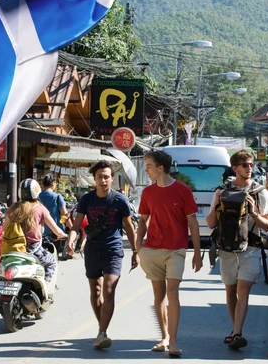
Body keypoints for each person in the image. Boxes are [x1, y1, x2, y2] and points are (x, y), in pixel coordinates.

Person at [135, 150, 203, 357]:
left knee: (172, 292)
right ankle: (164, 337)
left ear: (160, 167)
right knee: (159, 295)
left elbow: (193, 222)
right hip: (152, 249)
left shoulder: (183, 191)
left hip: (176, 250)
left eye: (148, 166)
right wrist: (138, 246)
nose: (146, 170)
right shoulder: (148, 193)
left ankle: (173, 341)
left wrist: (198, 253)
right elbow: (142, 221)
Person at [206, 150, 268, 350]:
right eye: (245, 165)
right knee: (231, 290)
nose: (249, 168)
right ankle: (235, 330)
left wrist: (253, 213)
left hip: (250, 249)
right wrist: (217, 204)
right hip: (227, 250)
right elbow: (210, 224)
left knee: (243, 290)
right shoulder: (221, 191)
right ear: (234, 168)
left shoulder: (260, 192)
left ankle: (237, 332)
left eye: (251, 164)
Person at [66, 160, 136, 350]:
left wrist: (136, 251)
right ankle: (101, 329)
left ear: (112, 179)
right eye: (99, 177)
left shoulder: (120, 200)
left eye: (106, 177)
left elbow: (129, 227)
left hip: (113, 250)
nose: (103, 181)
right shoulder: (86, 199)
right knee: (95, 292)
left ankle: (103, 332)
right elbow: (76, 224)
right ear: (94, 179)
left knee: (109, 289)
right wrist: (71, 240)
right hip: (92, 250)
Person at [4, 179, 67, 284]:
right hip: (33, 249)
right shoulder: (40, 208)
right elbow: (56, 230)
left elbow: (4, 228)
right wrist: (64, 235)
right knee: (51, 262)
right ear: (36, 191)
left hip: (12, 248)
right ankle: (46, 287)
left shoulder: (13, 208)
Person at [39, 173, 73, 253]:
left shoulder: (38, 196)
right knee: (53, 259)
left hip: (40, 234)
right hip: (56, 234)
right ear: (53, 183)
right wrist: (72, 228)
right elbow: (64, 215)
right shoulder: (57, 197)